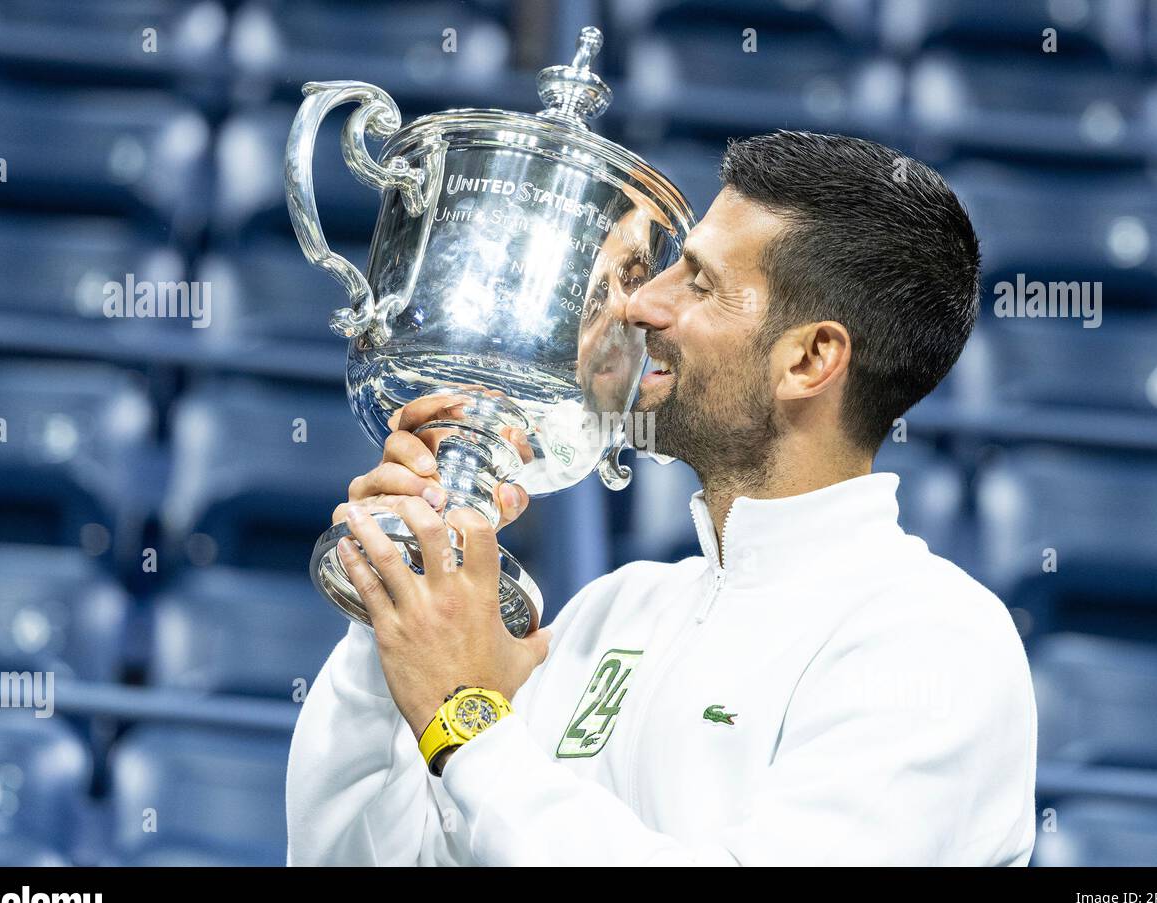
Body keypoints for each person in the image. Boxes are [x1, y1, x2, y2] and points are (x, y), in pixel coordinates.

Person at [285, 131, 1038, 866]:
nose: (643, 304)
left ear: (810, 359)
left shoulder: (933, 640)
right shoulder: (616, 610)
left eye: (699, 283)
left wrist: (468, 723)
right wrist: (401, 596)